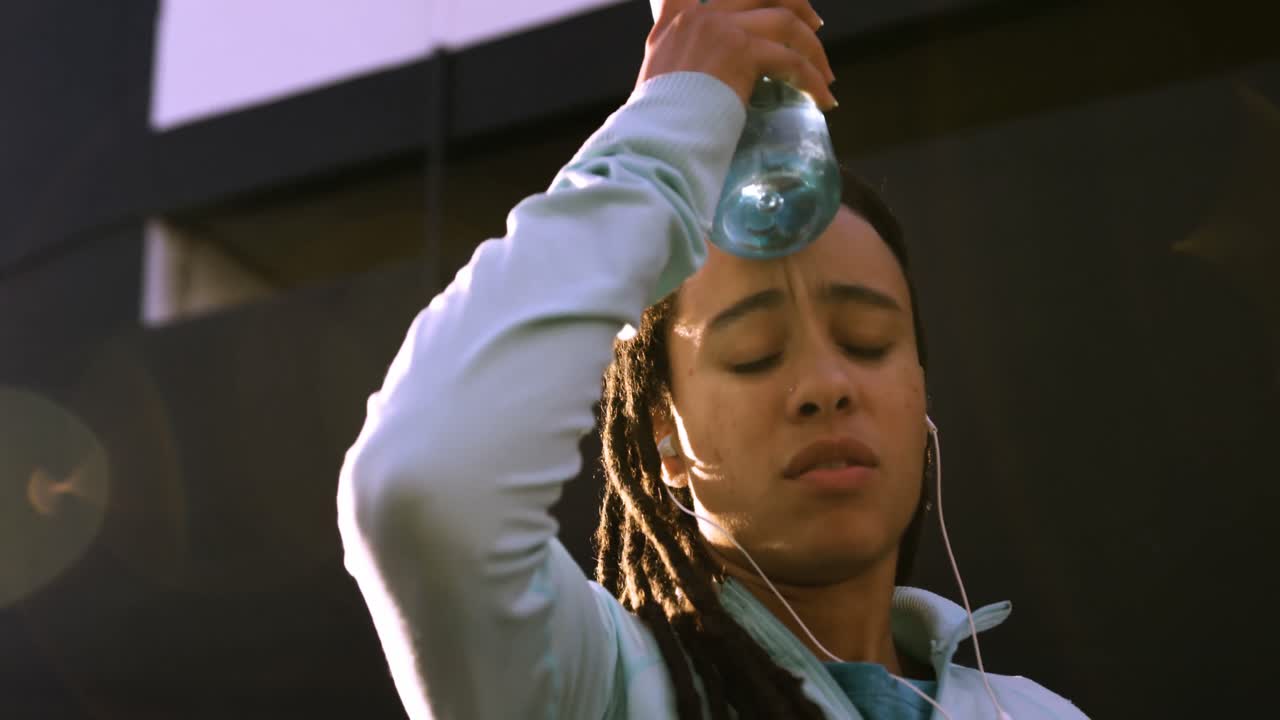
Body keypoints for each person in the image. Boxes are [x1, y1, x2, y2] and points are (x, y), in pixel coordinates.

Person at [336, 0, 1088, 717]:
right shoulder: (599, 691)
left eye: (868, 342)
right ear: (663, 435)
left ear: (920, 385)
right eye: (755, 355)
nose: (826, 386)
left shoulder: (1036, 713)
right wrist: (666, 129)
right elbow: (422, 484)